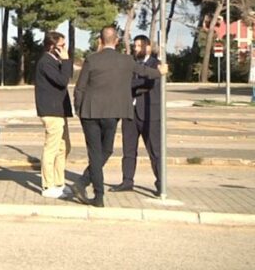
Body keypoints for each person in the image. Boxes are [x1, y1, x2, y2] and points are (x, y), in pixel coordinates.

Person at [70, 26, 167, 207]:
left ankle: (93, 191)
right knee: (106, 151)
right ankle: (87, 187)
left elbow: (80, 87)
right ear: (116, 41)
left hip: (90, 112)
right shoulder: (126, 60)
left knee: (96, 153)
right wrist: (160, 72)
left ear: (100, 40)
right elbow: (146, 72)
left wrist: (78, 109)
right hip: (112, 114)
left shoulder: (91, 59)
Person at [110, 35, 162, 197]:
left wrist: (131, 85)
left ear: (148, 47)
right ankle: (127, 181)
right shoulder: (130, 63)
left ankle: (161, 183)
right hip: (129, 113)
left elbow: (150, 83)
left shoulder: (156, 65)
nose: (136, 48)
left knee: (155, 151)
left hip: (149, 113)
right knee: (128, 150)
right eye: (135, 46)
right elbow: (121, 82)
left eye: (139, 46)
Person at [34, 31, 73, 198]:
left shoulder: (54, 61)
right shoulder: (46, 62)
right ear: (52, 47)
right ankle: (48, 186)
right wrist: (65, 60)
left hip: (59, 110)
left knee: (64, 147)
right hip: (51, 111)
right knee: (51, 148)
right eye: (61, 46)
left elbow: (66, 76)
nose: (64, 49)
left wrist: (65, 61)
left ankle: (59, 182)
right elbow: (63, 81)